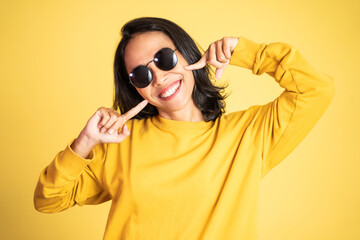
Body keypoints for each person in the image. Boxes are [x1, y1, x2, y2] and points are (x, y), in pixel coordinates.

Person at [33, 17, 335, 239]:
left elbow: (316, 89)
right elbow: (48, 200)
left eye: (164, 59)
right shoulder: (121, 143)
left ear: (188, 53)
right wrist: (84, 142)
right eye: (141, 75)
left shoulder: (247, 135)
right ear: (135, 87)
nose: (159, 78)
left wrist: (246, 52)